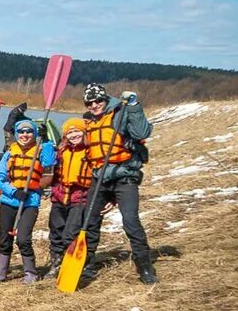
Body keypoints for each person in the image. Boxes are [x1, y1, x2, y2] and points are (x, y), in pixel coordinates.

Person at [79, 83, 157, 285]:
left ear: (105, 99)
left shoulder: (119, 115)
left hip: (124, 177)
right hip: (100, 178)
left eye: (98, 100)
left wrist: (134, 106)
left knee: (130, 220)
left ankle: (144, 264)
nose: (94, 105)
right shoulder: (89, 122)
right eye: (89, 102)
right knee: (89, 221)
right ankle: (86, 264)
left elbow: (142, 133)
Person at [0, 119, 55, 284]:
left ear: (34, 134)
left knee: (23, 239)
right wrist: (13, 191)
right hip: (9, 200)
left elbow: (49, 163)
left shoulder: (40, 150)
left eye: (29, 132)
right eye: (21, 132)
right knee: (5, 239)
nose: (25, 135)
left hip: (30, 202)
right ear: (17, 134)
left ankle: (30, 273)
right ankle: (1, 273)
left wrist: (46, 140)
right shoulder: (10, 152)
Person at [46, 117, 93, 268]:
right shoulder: (61, 151)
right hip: (59, 196)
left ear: (84, 132)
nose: (74, 135)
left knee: (70, 234)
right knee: (55, 232)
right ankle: (56, 264)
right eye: (70, 132)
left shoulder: (90, 151)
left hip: (79, 198)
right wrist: (45, 141)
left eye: (77, 131)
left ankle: (73, 263)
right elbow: (48, 165)